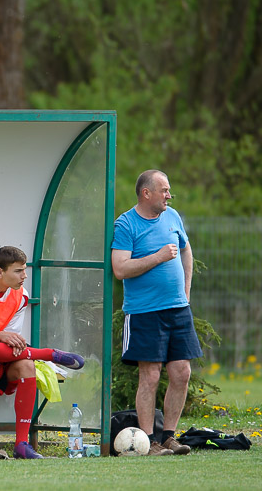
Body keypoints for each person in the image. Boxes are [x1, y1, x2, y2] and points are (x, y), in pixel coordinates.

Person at [0, 246, 85, 459]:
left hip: (0, 355)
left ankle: (21, 443)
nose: (24, 276)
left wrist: (3, 337)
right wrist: (0, 335)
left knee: (26, 366)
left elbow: (11, 340)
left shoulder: (21, 295)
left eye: (24, 270)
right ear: (0, 272)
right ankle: (48, 354)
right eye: (18, 271)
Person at [112, 170, 200, 456]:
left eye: (169, 190)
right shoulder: (126, 223)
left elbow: (186, 250)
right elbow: (120, 269)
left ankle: (169, 436)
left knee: (181, 372)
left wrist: (186, 289)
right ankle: (148, 442)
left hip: (178, 310)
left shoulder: (172, 217)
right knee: (149, 376)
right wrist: (160, 256)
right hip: (145, 312)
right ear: (145, 193)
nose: (169, 195)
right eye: (163, 190)